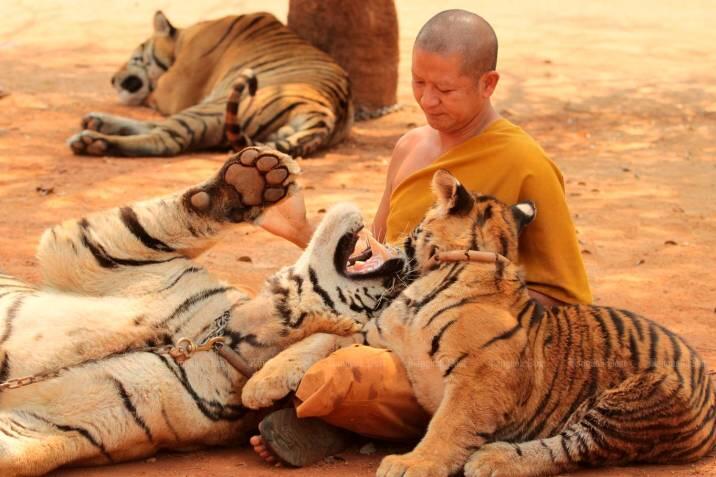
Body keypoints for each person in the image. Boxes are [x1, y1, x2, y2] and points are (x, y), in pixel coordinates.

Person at [251, 9, 592, 466]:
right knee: (256, 335)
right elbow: (376, 261)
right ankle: (324, 417)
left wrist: (454, 318)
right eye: (417, 84)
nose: (428, 101)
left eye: (445, 89)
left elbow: (563, 301)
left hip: (457, 353)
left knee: (346, 376)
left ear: (487, 84)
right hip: (374, 322)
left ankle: (332, 419)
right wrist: (301, 232)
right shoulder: (410, 147)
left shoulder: (526, 163)